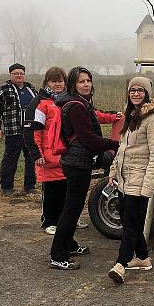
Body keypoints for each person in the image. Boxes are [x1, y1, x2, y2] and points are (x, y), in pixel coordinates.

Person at [49, 66, 119, 270]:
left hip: (76, 161)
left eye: (88, 80)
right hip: (76, 162)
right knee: (71, 208)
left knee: (73, 206)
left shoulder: (80, 103)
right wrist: (115, 144)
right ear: (73, 84)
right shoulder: (77, 106)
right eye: (81, 81)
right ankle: (58, 255)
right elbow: (89, 139)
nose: (86, 84)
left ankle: (68, 244)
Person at [107, 77, 154, 283]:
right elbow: (123, 148)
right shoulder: (131, 115)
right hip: (125, 179)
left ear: (147, 93)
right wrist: (113, 171)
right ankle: (142, 258)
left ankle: (121, 264)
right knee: (128, 221)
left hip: (140, 180)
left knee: (132, 225)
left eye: (140, 90)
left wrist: (148, 187)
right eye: (132, 90)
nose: (135, 93)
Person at [23, 66, 67, 235]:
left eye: (61, 81)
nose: (58, 84)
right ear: (47, 82)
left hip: (64, 156)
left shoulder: (65, 101)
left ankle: (65, 220)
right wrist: (37, 154)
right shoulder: (40, 103)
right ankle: (49, 221)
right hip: (48, 158)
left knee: (66, 191)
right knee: (51, 193)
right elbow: (33, 131)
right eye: (54, 81)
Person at [0, 63, 38, 196]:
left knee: (31, 159)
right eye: (15, 73)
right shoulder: (3, 90)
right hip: (13, 130)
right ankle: (7, 187)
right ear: (10, 75)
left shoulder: (31, 89)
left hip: (31, 130)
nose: (18, 75)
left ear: (24, 75)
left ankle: (30, 187)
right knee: (10, 159)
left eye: (21, 73)